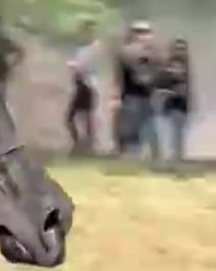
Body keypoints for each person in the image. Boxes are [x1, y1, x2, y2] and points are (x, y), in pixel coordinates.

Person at [113, 20, 163, 157]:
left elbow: (159, 73)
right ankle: (134, 154)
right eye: (139, 32)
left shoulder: (154, 54)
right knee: (132, 126)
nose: (143, 36)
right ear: (133, 34)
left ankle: (154, 154)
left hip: (148, 95)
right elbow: (120, 75)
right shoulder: (126, 52)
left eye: (146, 32)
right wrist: (116, 96)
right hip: (131, 95)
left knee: (150, 126)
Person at [65, 20, 102, 155]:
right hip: (80, 84)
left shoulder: (94, 47)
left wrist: (75, 66)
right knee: (73, 118)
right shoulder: (80, 48)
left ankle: (88, 146)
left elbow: (84, 65)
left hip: (88, 85)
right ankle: (82, 144)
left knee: (86, 117)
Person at [155, 37, 191, 164]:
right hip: (169, 107)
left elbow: (188, 90)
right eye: (178, 48)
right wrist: (172, 93)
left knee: (179, 134)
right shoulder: (166, 69)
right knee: (168, 134)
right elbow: (159, 90)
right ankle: (168, 157)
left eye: (183, 49)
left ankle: (178, 157)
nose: (180, 51)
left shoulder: (188, 68)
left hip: (182, 106)